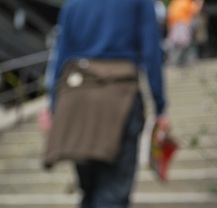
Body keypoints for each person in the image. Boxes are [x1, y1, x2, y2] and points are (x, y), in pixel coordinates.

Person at [43, 0, 170, 208]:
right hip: (119, 99)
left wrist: (54, 106)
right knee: (113, 192)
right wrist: (160, 106)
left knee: (89, 190)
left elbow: (60, 57)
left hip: (76, 101)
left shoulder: (74, 5)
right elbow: (151, 51)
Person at [166, 0, 203, 67]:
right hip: (181, 24)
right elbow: (196, 10)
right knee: (182, 43)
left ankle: (178, 61)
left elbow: (169, 13)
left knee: (177, 43)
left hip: (177, 24)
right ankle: (178, 61)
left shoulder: (176, 2)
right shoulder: (185, 2)